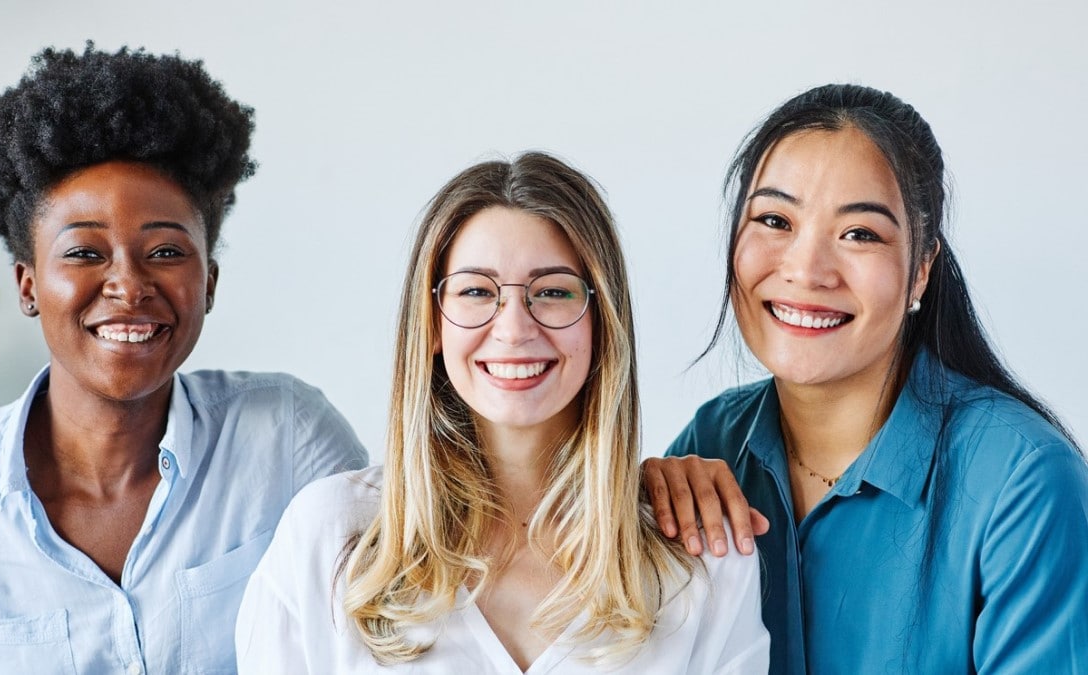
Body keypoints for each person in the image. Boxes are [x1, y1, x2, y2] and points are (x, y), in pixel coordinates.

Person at [0, 44, 367, 674]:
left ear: (210, 282)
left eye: (166, 252)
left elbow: (371, 649)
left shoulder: (291, 440)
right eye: (85, 253)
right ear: (28, 284)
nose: (129, 284)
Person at [234, 152, 770, 673]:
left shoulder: (706, 560)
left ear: (602, 323)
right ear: (433, 325)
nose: (514, 328)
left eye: (553, 291)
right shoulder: (329, 537)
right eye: (475, 291)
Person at [641, 84, 1088, 673]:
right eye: (775, 220)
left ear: (921, 269)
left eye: (861, 234)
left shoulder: (1023, 481)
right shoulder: (712, 445)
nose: (806, 270)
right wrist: (634, 502)